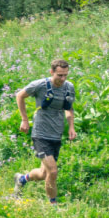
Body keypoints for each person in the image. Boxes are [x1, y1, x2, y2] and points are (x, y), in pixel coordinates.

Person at [13, 59, 76, 203]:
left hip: (57, 134)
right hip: (40, 134)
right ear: (52, 72)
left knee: (44, 173)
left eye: (65, 75)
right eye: (60, 75)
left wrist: (71, 127)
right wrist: (24, 119)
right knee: (53, 172)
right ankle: (52, 205)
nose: (63, 79)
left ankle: (21, 179)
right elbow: (20, 95)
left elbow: (69, 108)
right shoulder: (40, 85)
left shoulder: (68, 87)